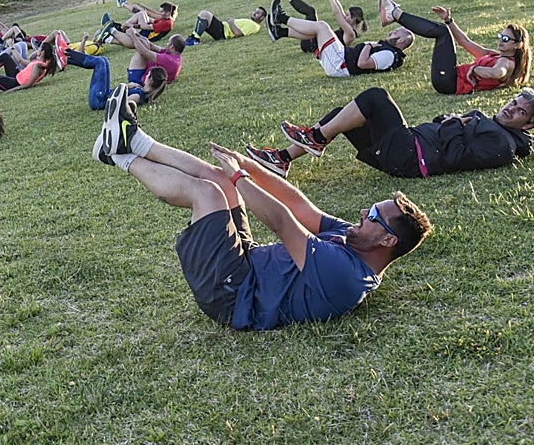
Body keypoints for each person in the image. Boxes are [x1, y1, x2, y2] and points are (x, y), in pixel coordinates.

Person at [92, 83, 433, 330]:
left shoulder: (347, 275)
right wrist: (248, 167)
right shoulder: (355, 241)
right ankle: (133, 139)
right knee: (220, 179)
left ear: (388, 241)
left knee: (208, 193)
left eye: (373, 216)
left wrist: (242, 178)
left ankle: (119, 154)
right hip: (245, 263)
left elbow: (284, 223)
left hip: (230, 294)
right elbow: (299, 205)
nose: (363, 214)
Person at [244, 85, 534, 179]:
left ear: (529, 125)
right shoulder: (493, 125)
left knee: (375, 97)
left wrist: (454, 123)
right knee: (341, 117)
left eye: (520, 112)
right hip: (407, 149)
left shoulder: (502, 144)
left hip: (411, 157)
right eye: (513, 102)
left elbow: (457, 157)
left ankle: (316, 139)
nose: (511, 109)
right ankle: (282, 159)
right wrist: (450, 119)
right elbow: (442, 122)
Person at [380, 0, 530, 95]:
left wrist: (475, 69)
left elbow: (497, 73)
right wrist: (449, 20)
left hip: (449, 82)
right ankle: (393, 13)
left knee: (441, 33)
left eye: (505, 39)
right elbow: (464, 41)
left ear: (517, 45)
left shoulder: (507, 63)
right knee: (443, 30)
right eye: (500, 36)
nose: (500, 41)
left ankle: (394, 13)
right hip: (449, 78)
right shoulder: (495, 55)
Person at [271, 8, 412, 79]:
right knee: (318, 29)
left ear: (401, 41)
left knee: (322, 26)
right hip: (341, 58)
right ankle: (279, 32)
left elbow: (362, 64)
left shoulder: (390, 55)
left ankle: (281, 18)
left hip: (340, 64)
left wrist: (368, 45)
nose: (391, 32)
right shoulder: (389, 51)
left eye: (395, 32)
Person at [271, 0, 367, 51]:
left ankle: (280, 14)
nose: (345, 16)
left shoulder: (350, 34)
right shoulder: (347, 27)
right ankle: (279, 32)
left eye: (347, 15)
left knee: (311, 13)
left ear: (354, 18)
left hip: (312, 45)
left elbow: (337, 14)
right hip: (312, 41)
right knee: (313, 18)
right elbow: (339, 9)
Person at [184, 7, 267, 46]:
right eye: (255, 11)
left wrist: (231, 22)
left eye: (258, 13)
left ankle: (195, 40)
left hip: (223, 32)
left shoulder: (254, 26)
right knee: (203, 16)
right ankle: (194, 38)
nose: (254, 13)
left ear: (262, 18)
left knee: (205, 14)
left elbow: (239, 34)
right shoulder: (251, 22)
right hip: (223, 28)